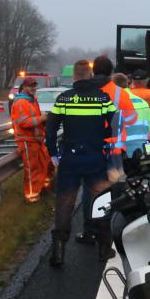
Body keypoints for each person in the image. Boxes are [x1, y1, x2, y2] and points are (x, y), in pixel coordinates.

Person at [46, 60, 117, 267]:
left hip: (70, 159)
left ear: (74, 77)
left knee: (64, 204)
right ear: (90, 75)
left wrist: (53, 153)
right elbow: (114, 124)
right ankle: (104, 249)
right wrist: (107, 142)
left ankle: (58, 253)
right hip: (96, 158)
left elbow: (50, 129)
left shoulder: (64, 98)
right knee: (100, 202)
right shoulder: (102, 98)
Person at [73, 55, 137, 246]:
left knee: (90, 191)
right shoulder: (120, 93)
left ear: (94, 71)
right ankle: (112, 228)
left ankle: (90, 231)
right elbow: (132, 119)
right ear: (111, 72)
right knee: (115, 188)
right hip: (114, 149)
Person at [10, 77, 52, 203]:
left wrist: (44, 121)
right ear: (24, 87)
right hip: (27, 141)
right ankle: (31, 197)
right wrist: (41, 119)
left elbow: (35, 119)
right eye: (30, 86)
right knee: (32, 169)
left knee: (44, 164)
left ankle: (42, 189)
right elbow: (23, 122)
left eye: (35, 86)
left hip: (36, 140)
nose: (33, 88)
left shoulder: (32, 101)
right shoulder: (21, 102)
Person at [113, 72, 150, 158]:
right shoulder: (142, 102)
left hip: (122, 154)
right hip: (141, 152)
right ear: (127, 84)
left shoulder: (113, 104)